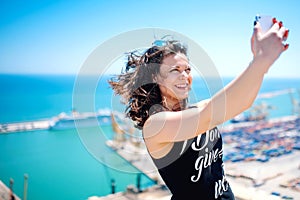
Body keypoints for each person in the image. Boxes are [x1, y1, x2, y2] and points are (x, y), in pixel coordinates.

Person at [109, 18, 289, 199]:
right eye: (175, 70)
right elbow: (210, 113)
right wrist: (261, 60)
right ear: (156, 78)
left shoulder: (193, 110)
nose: (184, 76)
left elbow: (241, 102)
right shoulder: (156, 125)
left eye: (187, 69)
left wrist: (262, 62)